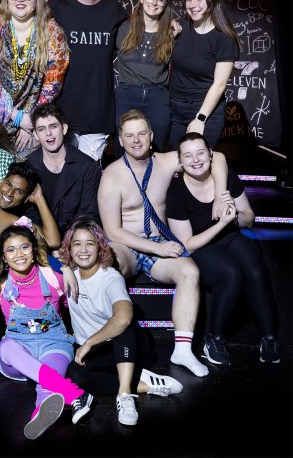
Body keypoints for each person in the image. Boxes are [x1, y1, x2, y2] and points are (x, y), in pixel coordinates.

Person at [98, 109, 230, 378]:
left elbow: (218, 158)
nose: (136, 140)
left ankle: (182, 350)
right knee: (108, 264)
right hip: (127, 244)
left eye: (141, 134)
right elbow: (113, 230)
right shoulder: (112, 175)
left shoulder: (167, 161)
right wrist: (157, 248)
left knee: (189, 271)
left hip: (159, 241)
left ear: (151, 136)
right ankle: (105, 341)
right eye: (129, 136)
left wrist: (220, 195)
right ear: (120, 141)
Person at [166, 133, 280, 365]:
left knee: (256, 271)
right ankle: (214, 338)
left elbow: (249, 219)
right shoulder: (176, 192)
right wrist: (221, 223)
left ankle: (269, 338)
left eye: (200, 153)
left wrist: (234, 215)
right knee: (231, 273)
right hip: (201, 246)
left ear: (211, 154)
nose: (195, 160)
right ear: (180, 161)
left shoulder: (226, 177)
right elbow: (187, 244)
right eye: (188, 155)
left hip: (231, 236)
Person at [59, 218, 184, 426]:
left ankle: (125, 395)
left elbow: (124, 317)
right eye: (77, 244)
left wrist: (90, 342)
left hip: (128, 345)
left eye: (90, 243)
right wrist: (63, 268)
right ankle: (142, 383)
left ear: (100, 247)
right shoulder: (68, 275)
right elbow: (37, 257)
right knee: (74, 377)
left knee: (121, 325)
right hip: (99, 351)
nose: (83, 250)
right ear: (69, 249)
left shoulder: (110, 277)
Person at [0, 221, 93, 439]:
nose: (19, 254)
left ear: (33, 249)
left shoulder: (54, 278)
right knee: (5, 347)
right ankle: (73, 394)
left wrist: (65, 268)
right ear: (4, 257)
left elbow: (77, 309)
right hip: (18, 354)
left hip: (54, 344)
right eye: (11, 249)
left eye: (24, 247)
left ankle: (39, 414)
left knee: (47, 383)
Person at [0, 0, 69, 157]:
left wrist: (31, 121)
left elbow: (53, 82)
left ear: (36, 0)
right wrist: (16, 116)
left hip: (33, 120)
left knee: (28, 169)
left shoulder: (51, 32)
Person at [48, 0, 128, 162]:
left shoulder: (113, 9)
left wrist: (171, 23)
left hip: (97, 112)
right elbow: (19, 13)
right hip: (61, 111)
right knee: (60, 172)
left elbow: (143, 27)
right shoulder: (57, 8)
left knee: (88, 175)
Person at [168, 0, 241, 149]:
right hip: (174, 108)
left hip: (205, 111)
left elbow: (219, 84)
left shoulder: (224, 38)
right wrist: (169, 23)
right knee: (175, 159)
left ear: (212, 0)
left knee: (197, 161)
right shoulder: (181, 26)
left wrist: (200, 118)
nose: (193, 5)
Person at [114, 0, 175, 154]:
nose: (154, 2)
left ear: (165, 5)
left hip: (157, 97)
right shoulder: (123, 28)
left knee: (157, 151)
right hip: (126, 95)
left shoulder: (171, 33)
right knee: (123, 151)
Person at [23, 103, 101, 237]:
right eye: (41, 129)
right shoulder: (28, 168)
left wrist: (67, 244)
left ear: (64, 129)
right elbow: (29, 217)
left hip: (76, 241)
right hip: (41, 240)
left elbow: (88, 216)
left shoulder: (87, 167)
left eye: (53, 126)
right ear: (35, 135)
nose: (48, 133)